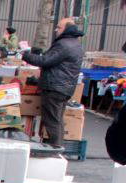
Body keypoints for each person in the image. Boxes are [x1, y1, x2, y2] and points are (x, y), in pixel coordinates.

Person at [22, 18, 84, 148]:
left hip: (55, 87)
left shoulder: (63, 44)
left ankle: (56, 148)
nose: (56, 30)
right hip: (64, 88)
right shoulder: (76, 44)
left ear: (66, 29)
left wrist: (26, 55)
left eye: (59, 27)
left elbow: (46, 61)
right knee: (57, 120)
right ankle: (58, 147)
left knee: (52, 121)